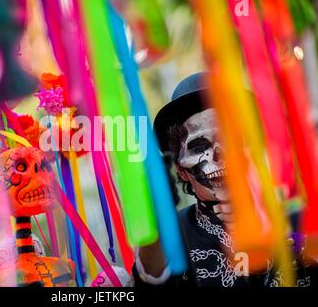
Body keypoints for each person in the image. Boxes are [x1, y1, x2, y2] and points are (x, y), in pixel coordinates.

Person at [133, 72, 317, 287]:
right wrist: (155, 223)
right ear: (181, 169)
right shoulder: (174, 237)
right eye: (199, 147)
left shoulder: (300, 221)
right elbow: (152, 278)